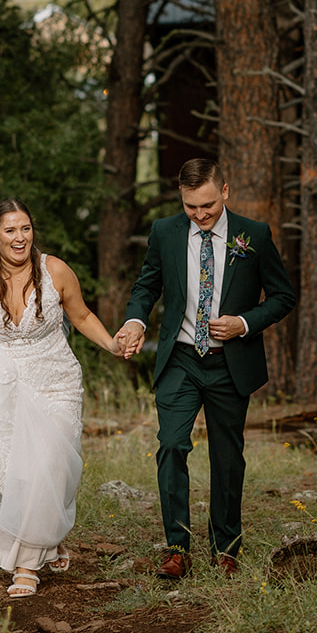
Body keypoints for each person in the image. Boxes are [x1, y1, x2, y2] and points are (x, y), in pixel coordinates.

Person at [114, 158, 296, 579]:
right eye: (191, 206)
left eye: (208, 205)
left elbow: (283, 296)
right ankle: (177, 548)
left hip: (230, 362)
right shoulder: (165, 232)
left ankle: (226, 548)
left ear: (225, 191)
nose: (200, 215)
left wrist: (244, 323)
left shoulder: (255, 234)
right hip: (180, 358)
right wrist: (135, 320)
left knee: (227, 457)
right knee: (173, 445)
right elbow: (148, 285)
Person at [0, 198, 122, 599]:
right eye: (10, 230)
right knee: (17, 474)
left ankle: (26, 566)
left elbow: (80, 317)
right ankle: (47, 540)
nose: (19, 237)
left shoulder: (55, 270)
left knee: (50, 464)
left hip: (55, 380)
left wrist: (112, 344)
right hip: (2, 385)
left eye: (25, 229)